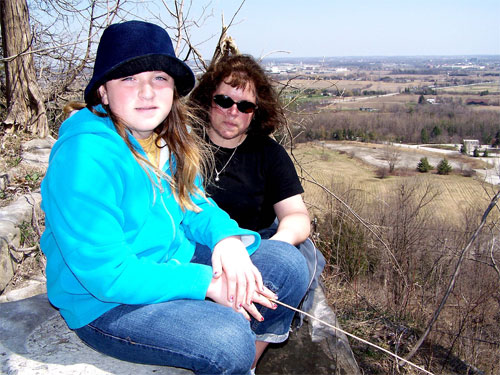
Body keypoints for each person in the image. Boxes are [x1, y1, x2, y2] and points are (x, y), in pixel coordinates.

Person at [40, 21, 308, 375]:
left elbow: (193, 202)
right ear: (103, 92)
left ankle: (237, 353)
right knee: (227, 341)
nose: (147, 93)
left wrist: (226, 239)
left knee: (288, 264)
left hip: (172, 259)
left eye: (159, 78)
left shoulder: (166, 137)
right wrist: (206, 283)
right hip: (105, 303)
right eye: (129, 79)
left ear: (173, 89)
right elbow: (108, 275)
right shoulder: (84, 158)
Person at [188, 55, 325, 317]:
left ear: (256, 112)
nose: (233, 112)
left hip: (258, 246)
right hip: (201, 249)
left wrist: (277, 245)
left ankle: (252, 355)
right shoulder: (184, 147)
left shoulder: (268, 154)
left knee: (288, 266)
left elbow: (296, 214)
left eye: (245, 106)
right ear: (208, 101)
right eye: (224, 101)